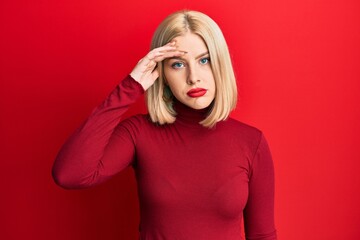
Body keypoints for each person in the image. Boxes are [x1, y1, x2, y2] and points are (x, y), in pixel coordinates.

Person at [52, 10, 277, 240]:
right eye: (178, 64)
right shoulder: (138, 133)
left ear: (220, 63)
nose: (193, 77)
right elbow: (70, 174)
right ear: (162, 74)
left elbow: (262, 235)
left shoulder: (251, 142)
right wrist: (131, 87)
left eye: (204, 60)